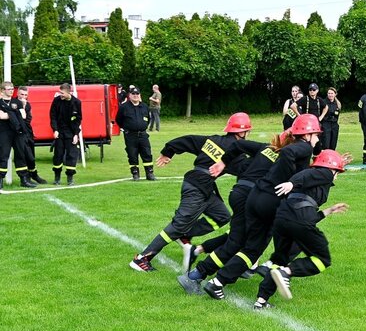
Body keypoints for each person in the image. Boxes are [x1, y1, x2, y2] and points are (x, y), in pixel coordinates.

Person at [200, 114, 322, 300]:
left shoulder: (287, 149)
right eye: (316, 134)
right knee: (255, 247)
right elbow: (289, 156)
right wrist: (291, 182)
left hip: (255, 196)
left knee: (247, 243)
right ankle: (226, 279)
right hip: (269, 201)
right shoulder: (303, 147)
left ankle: (216, 279)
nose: (318, 139)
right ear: (307, 135)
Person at [129, 113, 252, 272]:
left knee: (222, 216)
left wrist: (168, 151)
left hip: (202, 186)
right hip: (197, 188)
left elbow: (187, 140)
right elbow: (248, 169)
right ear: (242, 133)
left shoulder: (212, 140)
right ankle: (142, 258)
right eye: (247, 131)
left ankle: (185, 234)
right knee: (178, 225)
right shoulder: (236, 153)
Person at [177, 133, 292, 293]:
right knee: (246, 245)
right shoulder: (289, 159)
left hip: (239, 192)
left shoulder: (266, 147)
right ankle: (205, 277)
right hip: (253, 198)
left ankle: (199, 270)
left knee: (236, 239)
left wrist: (223, 162)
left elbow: (238, 145)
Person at [253, 150, 349, 308]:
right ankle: (287, 272)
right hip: (298, 219)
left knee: (280, 260)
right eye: (337, 171)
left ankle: (261, 301)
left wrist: (328, 211)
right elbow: (305, 176)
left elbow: (304, 213)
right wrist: (292, 183)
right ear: (330, 168)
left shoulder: (315, 182)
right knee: (322, 259)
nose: (337, 176)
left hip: (283, 218)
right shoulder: (324, 173)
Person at [0, 81, 36, 189]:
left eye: (12, 89)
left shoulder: (17, 102)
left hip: (18, 132)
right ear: (2, 90)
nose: (11, 91)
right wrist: (14, 113)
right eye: (9, 89)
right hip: (4, 132)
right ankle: (0, 179)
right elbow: (1, 116)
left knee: (21, 155)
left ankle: (24, 179)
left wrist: (9, 113)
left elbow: (23, 115)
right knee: (3, 155)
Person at [115, 87, 155, 181]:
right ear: (129, 95)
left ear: (139, 95)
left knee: (147, 153)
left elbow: (148, 119)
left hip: (143, 135)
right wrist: (126, 128)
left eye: (137, 94)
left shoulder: (144, 106)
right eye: (133, 94)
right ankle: (135, 173)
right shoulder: (124, 107)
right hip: (130, 135)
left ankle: (149, 173)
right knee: (132, 154)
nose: (135, 96)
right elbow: (118, 120)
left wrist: (142, 126)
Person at [49, 83, 82, 186]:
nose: (61, 95)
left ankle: (70, 178)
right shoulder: (57, 101)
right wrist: (55, 130)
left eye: (62, 93)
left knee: (71, 155)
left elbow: (78, 119)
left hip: (71, 133)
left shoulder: (76, 102)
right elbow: (53, 116)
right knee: (58, 155)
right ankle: (57, 177)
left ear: (69, 92)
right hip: (59, 132)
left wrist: (76, 134)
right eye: (60, 93)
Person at [16, 86, 47, 184]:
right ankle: (25, 177)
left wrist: (30, 131)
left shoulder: (28, 104)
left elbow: (28, 118)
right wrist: (22, 107)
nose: (23, 97)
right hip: (18, 133)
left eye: (25, 95)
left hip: (28, 132)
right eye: (22, 94)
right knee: (24, 155)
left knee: (31, 155)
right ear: (17, 94)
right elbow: (19, 119)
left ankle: (33, 174)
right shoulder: (13, 104)